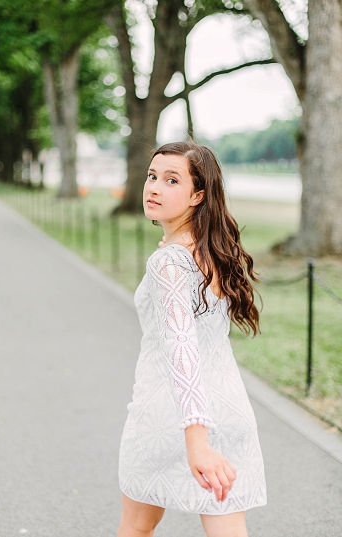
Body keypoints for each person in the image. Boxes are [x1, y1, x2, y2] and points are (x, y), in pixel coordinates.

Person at [117, 141, 266, 537]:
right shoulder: (214, 251)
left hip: (170, 415)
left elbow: (180, 346)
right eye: (152, 176)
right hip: (228, 408)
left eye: (171, 180)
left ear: (198, 195)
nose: (153, 187)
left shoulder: (168, 261)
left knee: (135, 530)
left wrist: (196, 439)